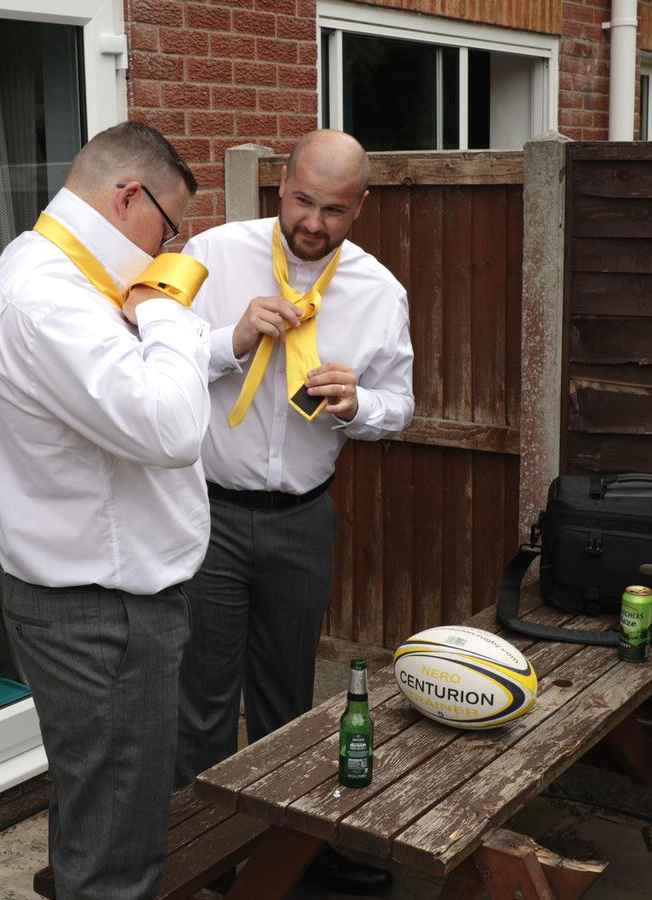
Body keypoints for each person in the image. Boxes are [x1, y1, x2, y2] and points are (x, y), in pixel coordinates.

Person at [0, 121, 208, 900]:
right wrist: (169, 304)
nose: (168, 251)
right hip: (102, 615)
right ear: (127, 196)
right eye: (168, 231)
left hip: (104, 604)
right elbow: (168, 427)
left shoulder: (64, 277)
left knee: (100, 805)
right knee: (120, 846)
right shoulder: (51, 299)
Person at [173, 129, 414, 894]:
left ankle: (289, 851)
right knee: (203, 696)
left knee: (287, 697)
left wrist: (360, 403)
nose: (314, 223)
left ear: (361, 207)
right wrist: (230, 340)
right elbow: (151, 354)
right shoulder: (211, 253)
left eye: (335, 210)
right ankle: (204, 853)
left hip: (303, 518)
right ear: (281, 183)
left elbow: (401, 407)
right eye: (304, 200)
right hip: (207, 511)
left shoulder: (379, 292)